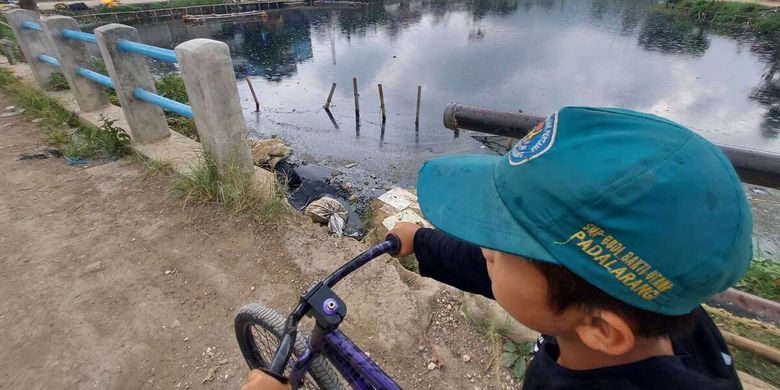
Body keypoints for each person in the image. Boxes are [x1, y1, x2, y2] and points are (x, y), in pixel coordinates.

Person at [243, 107, 751, 389]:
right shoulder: (655, 308)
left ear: (600, 329)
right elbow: (522, 278)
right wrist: (422, 242)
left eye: (501, 246)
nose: (485, 247)